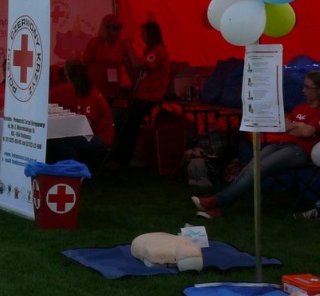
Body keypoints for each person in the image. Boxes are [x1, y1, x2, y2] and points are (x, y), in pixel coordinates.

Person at [194, 71, 320, 218]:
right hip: (281, 143)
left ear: (318, 90)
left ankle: (216, 201)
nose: (303, 90)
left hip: (299, 151)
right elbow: (283, 126)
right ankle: (220, 207)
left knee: (257, 170)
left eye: (307, 87)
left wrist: (294, 125)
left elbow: (306, 132)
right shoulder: (300, 107)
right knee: (250, 168)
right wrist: (298, 126)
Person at [112, 20, 170, 170]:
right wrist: (125, 61)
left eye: (143, 33)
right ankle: (123, 157)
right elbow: (136, 74)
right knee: (125, 122)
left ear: (151, 34)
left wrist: (129, 47)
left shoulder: (158, 51)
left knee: (129, 124)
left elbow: (138, 65)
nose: (142, 36)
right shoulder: (149, 52)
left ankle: (124, 159)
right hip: (141, 95)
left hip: (150, 96)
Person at [47, 60, 114, 164]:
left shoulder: (89, 93)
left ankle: (74, 172)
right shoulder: (81, 90)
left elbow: (87, 125)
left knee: (62, 140)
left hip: (100, 137)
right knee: (57, 139)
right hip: (91, 134)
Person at [82, 14, 128, 104]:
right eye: (114, 27)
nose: (118, 30)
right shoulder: (95, 43)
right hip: (96, 86)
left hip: (112, 88)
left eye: (120, 27)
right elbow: (84, 64)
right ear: (106, 28)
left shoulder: (121, 44)